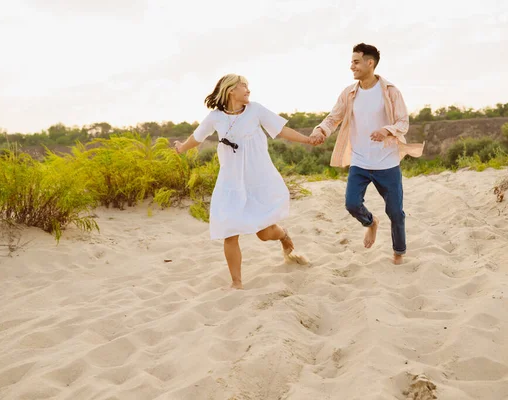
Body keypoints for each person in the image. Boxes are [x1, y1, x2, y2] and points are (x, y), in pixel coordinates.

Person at [174, 74, 314, 289]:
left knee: (265, 234)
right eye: (244, 86)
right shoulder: (216, 117)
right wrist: (182, 147)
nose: (248, 90)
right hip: (231, 182)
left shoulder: (256, 110)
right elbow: (198, 137)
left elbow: (281, 130)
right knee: (230, 232)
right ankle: (236, 282)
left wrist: (307, 139)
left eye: (247, 86)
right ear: (231, 90)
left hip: (258, 179)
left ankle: (284, 236)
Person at [310, 43, 424, 265]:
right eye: (351, 61)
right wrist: (320, 129)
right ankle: (371, 223)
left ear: (369, 63)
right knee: (352, 203)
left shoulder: (390, 91)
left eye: (356, 61)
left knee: (395, 212)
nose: (351, 66)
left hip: (387, 162)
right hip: (360, 161)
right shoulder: (349, 93)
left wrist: (386, 130)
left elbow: (403, 122)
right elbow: (333, 117)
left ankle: (398, 253)